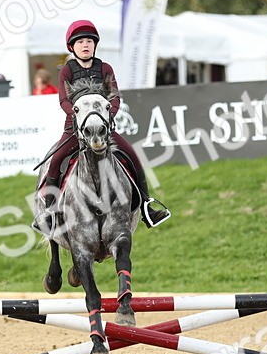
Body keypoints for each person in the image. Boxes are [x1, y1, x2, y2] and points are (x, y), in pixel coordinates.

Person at [35, 19, 171, 233]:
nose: (85, 45)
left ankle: (146, 206)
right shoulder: (66, 71)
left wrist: (106, 118)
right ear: (72, 47)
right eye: (80, 42)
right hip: (75, 130)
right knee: (56, 161)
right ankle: (50, 213)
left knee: (132, 156)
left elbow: (114, 97)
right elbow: (63, 101)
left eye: (89, 41)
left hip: (105, 129)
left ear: (95, 44)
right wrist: (81, 118)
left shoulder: (105, 68)